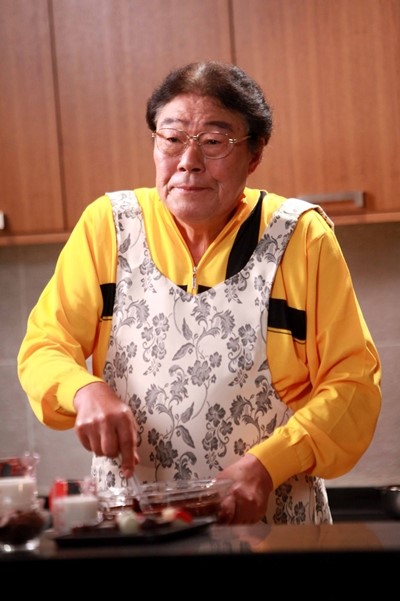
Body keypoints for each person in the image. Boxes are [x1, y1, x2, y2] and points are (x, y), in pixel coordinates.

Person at [17, 61, 382, 525]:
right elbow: (45, 345)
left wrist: (268, 465)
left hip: (273, 527)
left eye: (213, 142)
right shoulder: (108, 227)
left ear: (254, 153)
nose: (188, 161)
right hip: (135, 529)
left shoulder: (301, 238)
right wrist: (83, 390)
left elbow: (353, 386)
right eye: (171, 138)